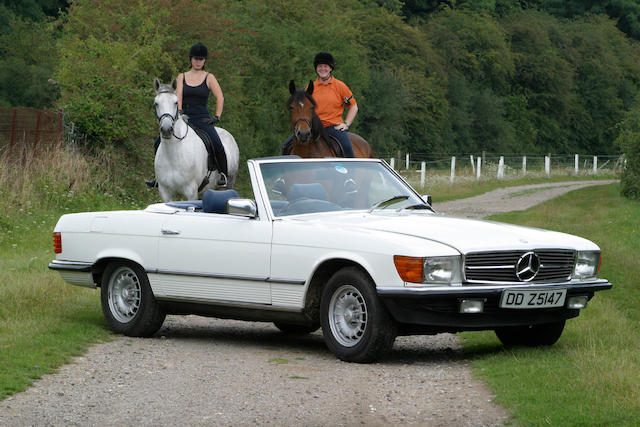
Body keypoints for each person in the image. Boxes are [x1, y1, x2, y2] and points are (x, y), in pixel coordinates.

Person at [147, 42, 228, 188]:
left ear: (204, 61)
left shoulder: (209, 77)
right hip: (184, 117)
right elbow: (178, 97)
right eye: (195, 58)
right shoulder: (181, 77)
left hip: (203, 118)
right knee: (158, 142)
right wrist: (178, 113)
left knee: (217, 144)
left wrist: (217, 116)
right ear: (191, 59)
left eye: (201, 59)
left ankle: (222, 174)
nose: (198, 61)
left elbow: (220, 97)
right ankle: (158, 177)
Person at [283, 52, 358, 157]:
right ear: (316, 69)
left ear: (330, 68)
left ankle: (350, 171)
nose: (322, 69)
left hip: (333, 127)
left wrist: (346, 124)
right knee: (285, 146)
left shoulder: (340, 86)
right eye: (319, 66)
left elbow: (353, 107)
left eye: (325, 66)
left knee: (347, 148)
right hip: (313, 127)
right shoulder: (310, 88)